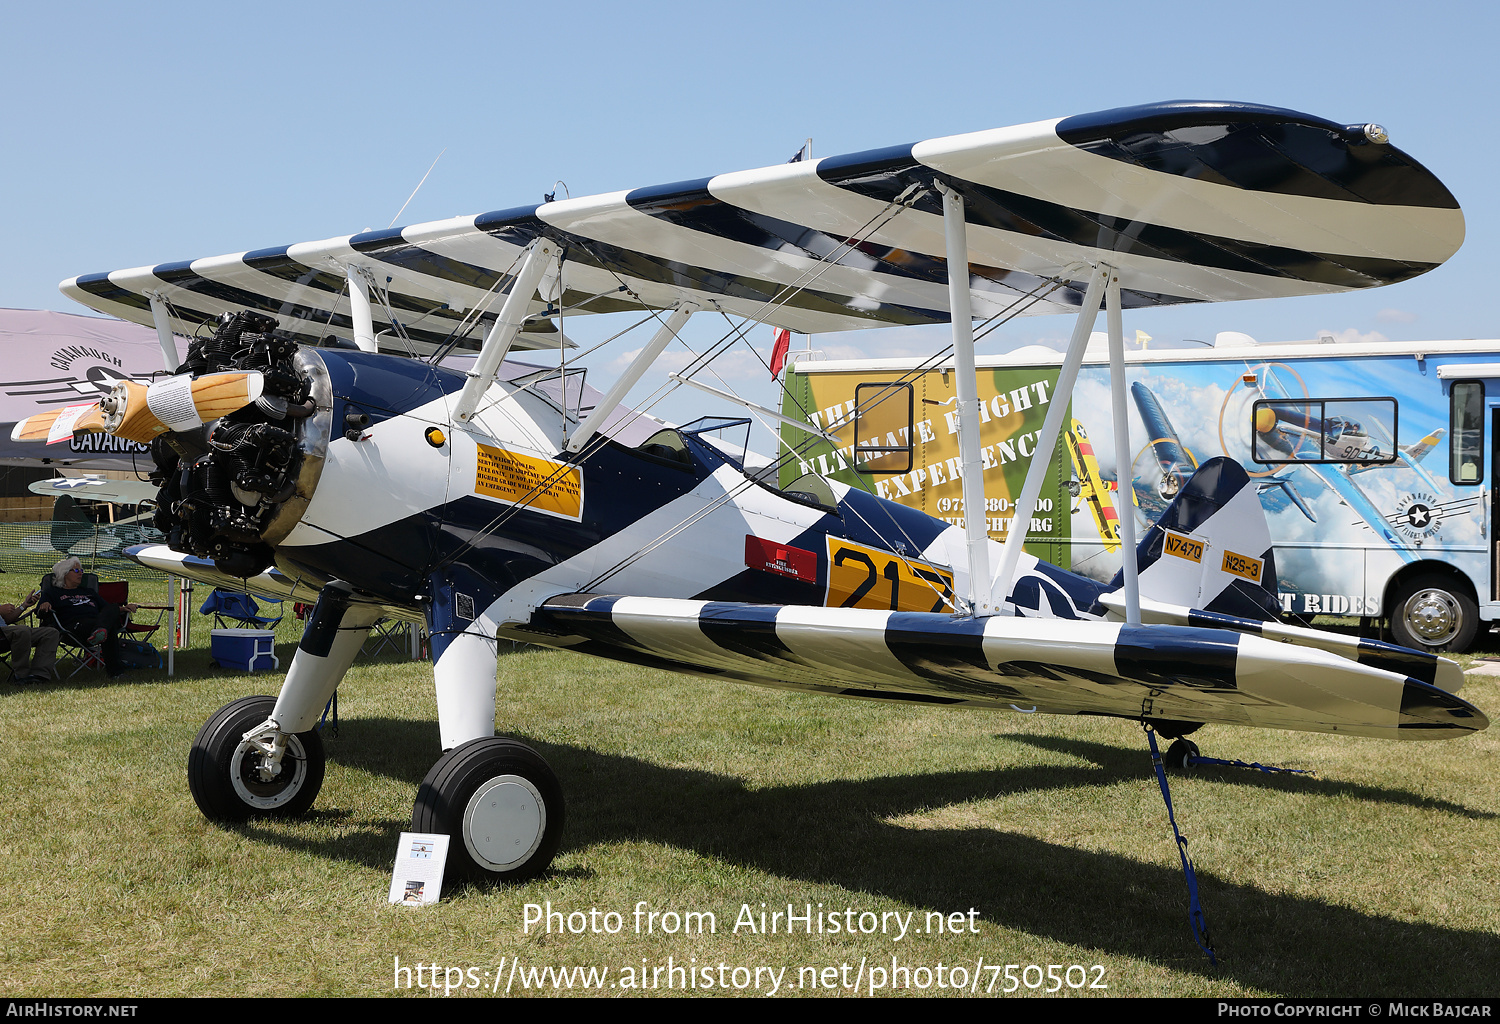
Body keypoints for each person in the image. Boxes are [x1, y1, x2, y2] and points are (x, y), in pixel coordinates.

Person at [37, 557, 137, 678]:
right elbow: (39, 611)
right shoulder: (52, 592)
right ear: (64, 574)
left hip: (97, 622)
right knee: (108, 629)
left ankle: (100, 631)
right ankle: (116, 673)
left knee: (113, 608)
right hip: (74, 627)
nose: (81, 574)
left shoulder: (88, 591)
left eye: (82, 571)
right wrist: (45, 605)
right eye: (77, 571)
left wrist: (123, 608)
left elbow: (107, 608)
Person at [2, 588, 59, 683]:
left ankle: (39, 675)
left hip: (6, 633)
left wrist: (24, 605)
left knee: (50, 633)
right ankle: (21, 676)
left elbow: (7, 620)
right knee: (22, 630)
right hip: (6, 634)